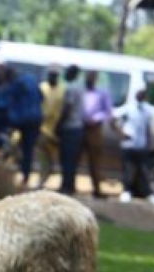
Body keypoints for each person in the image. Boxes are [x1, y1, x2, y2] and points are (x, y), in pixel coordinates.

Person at [0, 59, 44, 187]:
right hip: (36, 119)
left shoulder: (15, 84)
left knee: (11, 140)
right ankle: (25, 177)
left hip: (23, 120)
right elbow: (42, 97)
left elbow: (4, 100)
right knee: (28, 149)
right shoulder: (31, 79)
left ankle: (9, 165)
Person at [117, 88, 154, 205]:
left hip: (141, 144)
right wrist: (122, 134)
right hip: (128, 143)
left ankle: (148, 193)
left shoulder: (147, 110)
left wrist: (149, 142)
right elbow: (115, 120)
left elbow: (147, 127)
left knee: (144, 169)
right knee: (128, 169)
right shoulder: (129, 108)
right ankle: (126, 191)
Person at [80, 69, 115, 198]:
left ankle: (97, 190)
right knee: (75, 158)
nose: (88, 79)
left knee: (95, 161)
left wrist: (97, 118)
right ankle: (69, 186)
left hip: (94, 130)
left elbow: (108, 112)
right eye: (87, 77)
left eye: (91, 77)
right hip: (80, 128)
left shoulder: (102, 94)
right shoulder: (81, 92)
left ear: (95, 79)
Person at [56, 64, 86, 195]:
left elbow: (67, 108)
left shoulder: (71, 89)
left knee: (66, 159)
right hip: (78, 128)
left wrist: (58, 124)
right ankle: (70, 185)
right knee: (72, 160)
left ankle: (66, 186)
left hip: (70, 128)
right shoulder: (80, 88)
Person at [36, 64, 65, 188]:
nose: (52, 77)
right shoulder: (42, 87)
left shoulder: (62, 89)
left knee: (51, 161)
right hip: (41, 129)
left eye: (55, 75)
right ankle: (40, 182)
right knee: (43, 158)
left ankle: (43, 181)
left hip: (55, 130)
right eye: (50, 75)